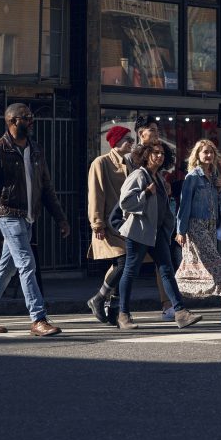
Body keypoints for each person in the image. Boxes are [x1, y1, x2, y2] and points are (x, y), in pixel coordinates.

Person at [0, 103, 69, 337]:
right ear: (12, 121)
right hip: (7, 214)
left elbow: (46, 187)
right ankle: (38, 318)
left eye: (31, 117)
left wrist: (61, 218)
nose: (31, 121)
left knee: (8, 267)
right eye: (26, 118)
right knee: (27, 264)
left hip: (28, 217)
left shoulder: (35, 149)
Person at [116, 139, 201, 330]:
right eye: (155, 153)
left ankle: (180, 312)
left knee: (167, 270)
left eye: (162, 153)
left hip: (157, 232)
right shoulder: (139, 175)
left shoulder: (159, 178)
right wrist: (145, 193)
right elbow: (125, 202)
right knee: (131, 271)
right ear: (146, 155)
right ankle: (123, 314)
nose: (159, 156)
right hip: (139, 232)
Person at [174, 139, 221, 319]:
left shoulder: (215, 176)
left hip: (212, 225)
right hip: (196, 225)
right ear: (197, 155)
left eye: (211, 152)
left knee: (210, 265)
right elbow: (184, 205)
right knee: (216, 261)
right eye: (205, 152)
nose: (208, 155)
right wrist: (180, 230)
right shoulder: (192, 177)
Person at [85, 125, 134, 325]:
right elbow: (95, 193)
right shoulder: (101, 162)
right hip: (108, 223)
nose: (132, 142)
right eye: (127, 139)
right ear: (116, 142)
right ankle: (99, 298)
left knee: (122, 265)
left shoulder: (130, 163)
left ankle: (114, 309)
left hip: (127, 224)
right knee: (124, 262)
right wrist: (97, 223)